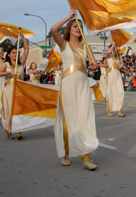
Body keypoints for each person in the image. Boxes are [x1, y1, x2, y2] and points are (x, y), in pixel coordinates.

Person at [51, 10, 99, 170]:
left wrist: (94, 65)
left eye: (79, 26)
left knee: (84, 118)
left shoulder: (86, 47)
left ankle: (86, 158)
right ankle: (65, 152)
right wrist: (69, 17)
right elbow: (53, 30)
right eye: (74, 26)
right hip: (69, 86)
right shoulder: (64, 45)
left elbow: (93, 64)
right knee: (69, 119)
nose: (77, 29)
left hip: (83, 86)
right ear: (69, 29)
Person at [0, 34, 29, 139]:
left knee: (19, 109)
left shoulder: (20, 63)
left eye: (17, 53)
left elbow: (27, 50)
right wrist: (9, 73)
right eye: (13, 53)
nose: (15, 55)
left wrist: (23, 38)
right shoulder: (6, 64)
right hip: (9, 90)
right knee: (10, 109)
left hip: (20, 89)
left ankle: (19, 130)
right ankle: (8, 129)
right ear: (9, 55)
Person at [104, 43, 125, 117]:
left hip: (117, 75)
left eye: (115, 48)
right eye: (113, 48)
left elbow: (121, 64)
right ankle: (109, 110)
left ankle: (119, 111)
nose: (114, 49)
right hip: (111, 75)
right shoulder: (108, 56)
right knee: (111, 92)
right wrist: (112, 45)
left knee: (119, 92)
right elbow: (107, 53)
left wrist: (121, 57)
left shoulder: (117, 57)